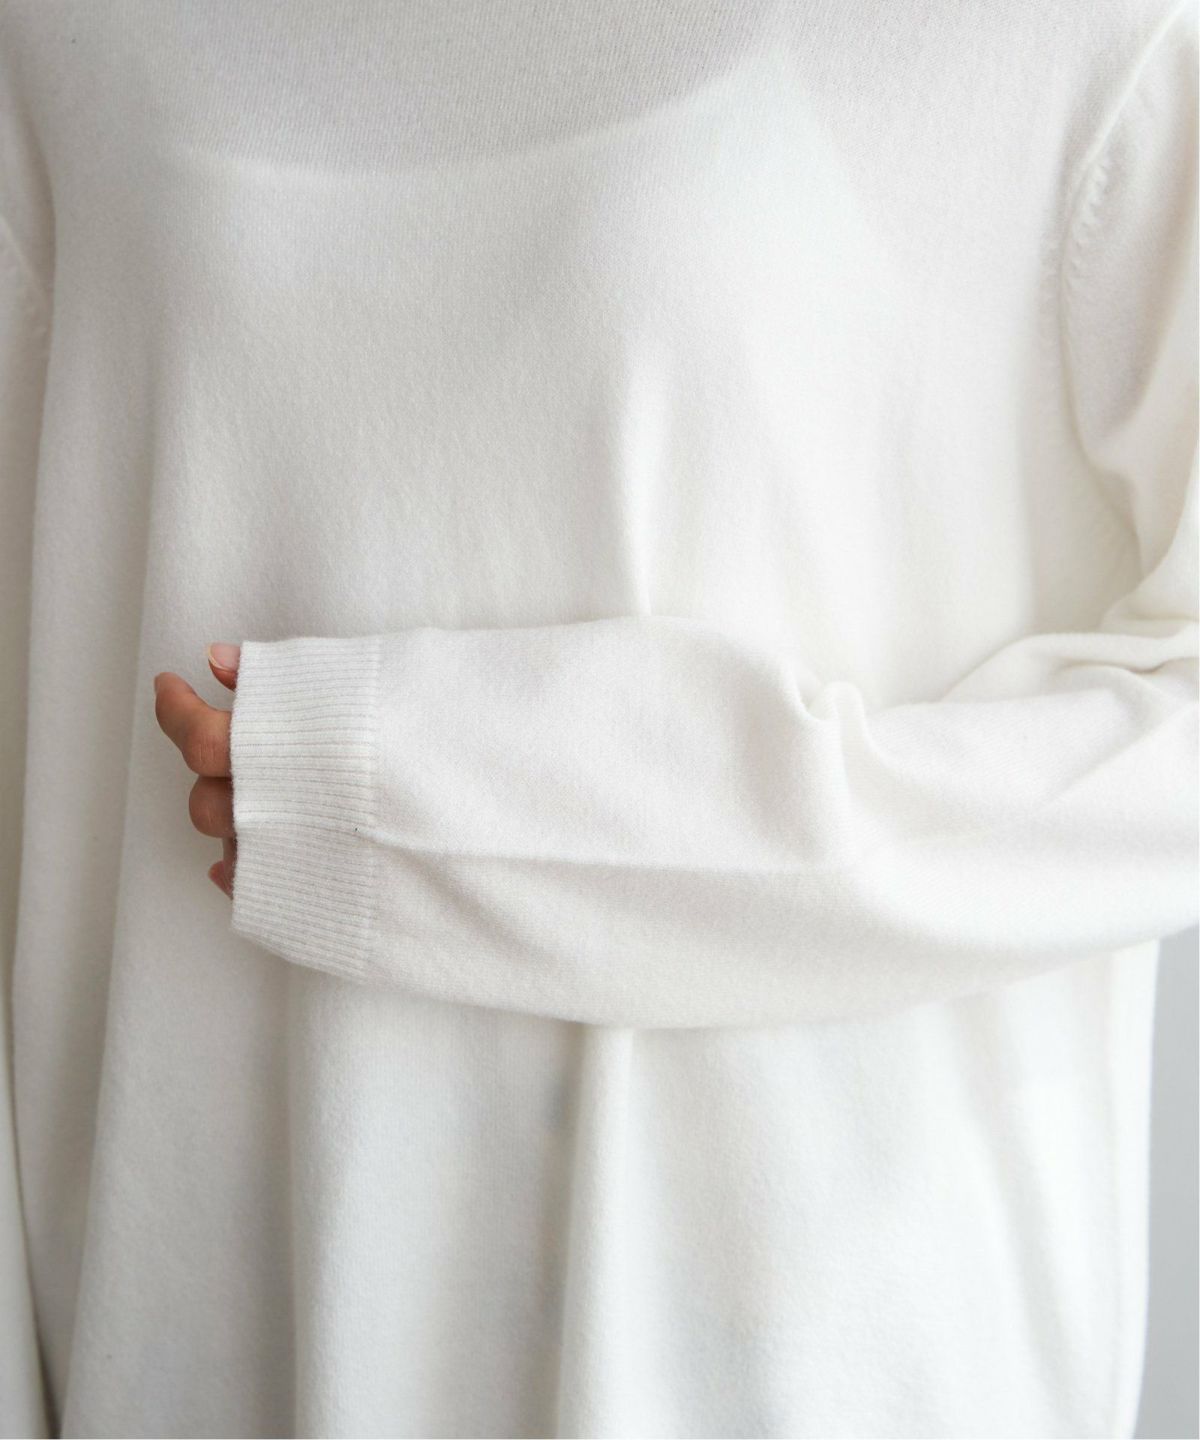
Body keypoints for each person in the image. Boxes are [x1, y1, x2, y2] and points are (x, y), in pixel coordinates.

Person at [2, 2, 1196, 1435]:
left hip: (812, 1357)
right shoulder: (54, 45)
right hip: (199, 1333)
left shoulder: (1078, 30)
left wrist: (457, 799)